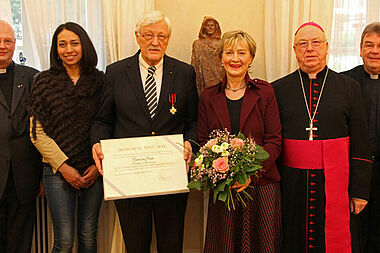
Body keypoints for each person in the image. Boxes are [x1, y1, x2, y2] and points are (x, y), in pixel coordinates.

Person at [90, 11, 198, 253]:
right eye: (149, 35)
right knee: (136, 244)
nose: (155, 42)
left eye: (162, 36)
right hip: (130, 179)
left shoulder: (183, 73)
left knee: (171, 244)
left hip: (170, 178)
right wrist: (97, 143)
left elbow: (192, 121)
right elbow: (102, 120)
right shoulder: (115, 73)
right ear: (137, 37)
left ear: (168, 39)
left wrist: (191, 143)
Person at [272, 22, 373, 252]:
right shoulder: (277, 89)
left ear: (327, 47)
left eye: (316, 42)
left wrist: (359, 191)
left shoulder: (349, 88)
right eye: (303, 44)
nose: (310, 49)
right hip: (291, 184)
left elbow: (360, 141)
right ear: (294, 50)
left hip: (336, 181)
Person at [198, 30, 282, 253]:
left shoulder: (265, 92)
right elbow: (202, 141)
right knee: (225, 245)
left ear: (251, 57)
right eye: (229, 52)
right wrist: (222, 174)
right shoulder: (208, 96)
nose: (235, 58)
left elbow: (274, 141)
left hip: (262, 186)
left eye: (242, 52)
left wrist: (251, 175)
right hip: (224, 188)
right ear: (221, 58)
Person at [28, 22, 104, 252]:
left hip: (94, 170)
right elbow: (36, 133)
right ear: (55, 49)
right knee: (63, 238)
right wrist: (64, 167)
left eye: (74, 43)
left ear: (84, 46)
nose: (68, 49)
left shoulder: (100, 81)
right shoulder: (43, 81)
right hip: (56, 172)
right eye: (62, 44)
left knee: (89, 235)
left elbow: (105, 124)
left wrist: (95, 165)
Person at [0, 19, 42, 253]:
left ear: (15, 44)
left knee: (20, 242)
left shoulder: (32, 77)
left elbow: (44, 127)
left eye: (8, 41)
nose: (3, 46)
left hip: (24, 177)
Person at [342, 22, 380, 253]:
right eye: (369, 45)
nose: (375, 51)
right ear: (360, 49)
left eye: (379, 46)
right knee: (355, 231)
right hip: (353, 170)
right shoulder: (344, 83)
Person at [191, 16, 225, 95]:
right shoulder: (197, 43)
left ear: (216, 27)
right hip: (203, 77)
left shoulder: (221, 43)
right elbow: (194, 64)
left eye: (212, 25)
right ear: (204, 27)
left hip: (218, 76)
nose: (210, 27)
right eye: (208, 25)